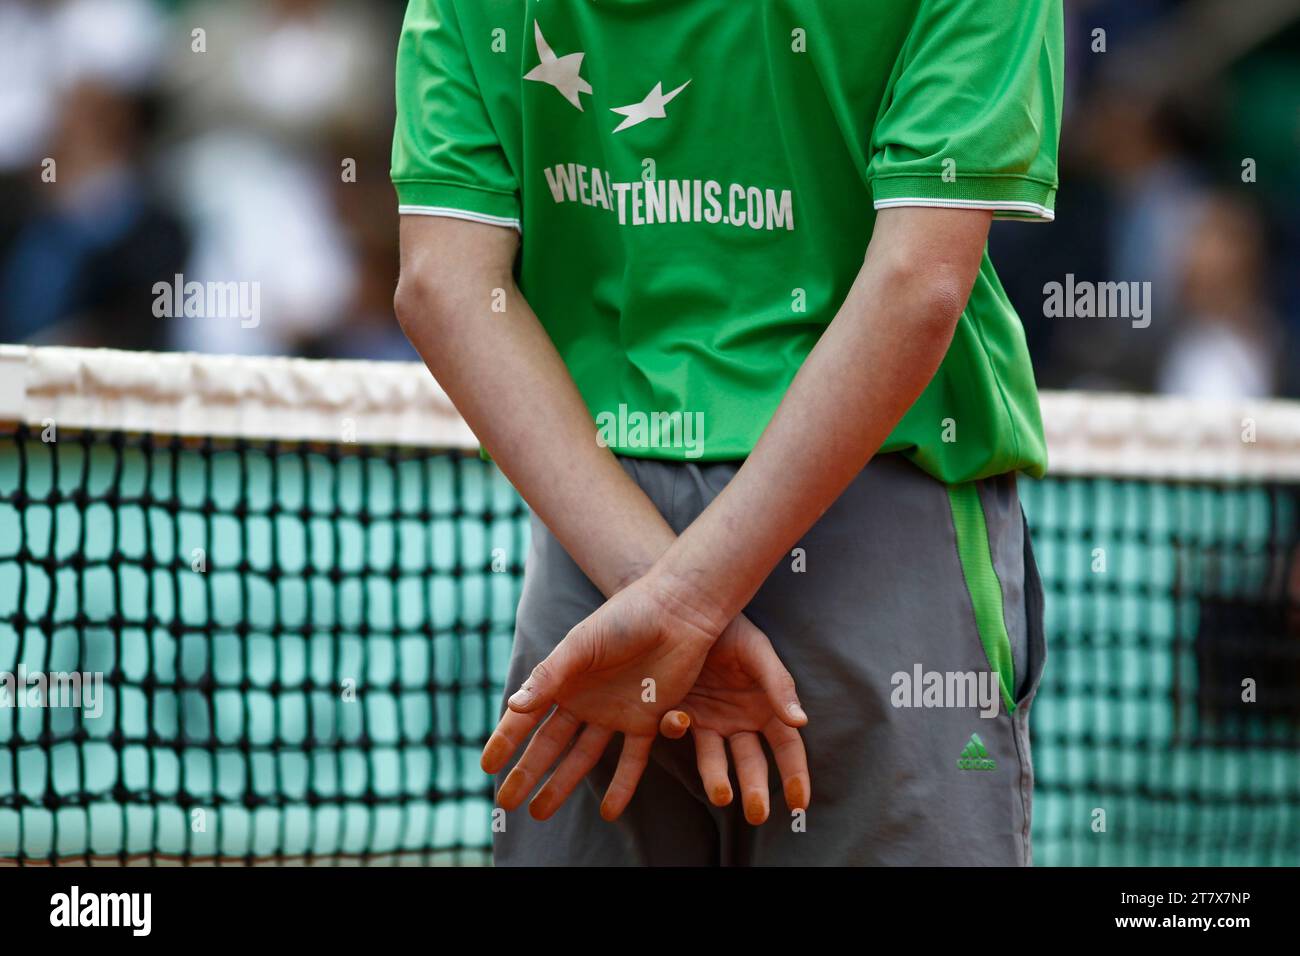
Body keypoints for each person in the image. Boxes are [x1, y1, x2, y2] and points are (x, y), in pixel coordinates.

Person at [392, 0, 1062, 866]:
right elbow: (916, 280)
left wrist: (657, 596)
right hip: (872, 519)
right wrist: (682, 605)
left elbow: (444, 286)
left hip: (595, 564)